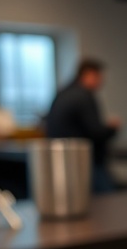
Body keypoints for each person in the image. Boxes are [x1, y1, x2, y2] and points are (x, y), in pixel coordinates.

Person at [44, 58, 121, 192]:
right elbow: (96, 132)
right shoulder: (84, 96)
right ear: (89, 74)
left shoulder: (62, 93)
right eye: (99, 77)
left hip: (63, 161)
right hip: (85, 160)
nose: (101, 82)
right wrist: (112, 128)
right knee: (108, 197)